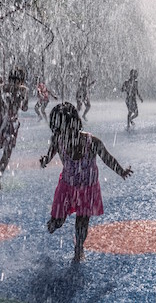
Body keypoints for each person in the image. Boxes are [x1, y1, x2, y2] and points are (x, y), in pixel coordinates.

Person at [40, 102, 133, 263]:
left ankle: (79, 249)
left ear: (75, 124)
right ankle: (55, 221)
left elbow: (107, 158)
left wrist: (121, 171)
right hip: (67, 187)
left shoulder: (92, 142)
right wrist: (45, 160)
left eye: (66, 129)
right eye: (59, 130)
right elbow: (49, 155)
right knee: (57, 223)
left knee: (82, 222)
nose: (65, 134)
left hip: (88, 189)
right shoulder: (57, 140)